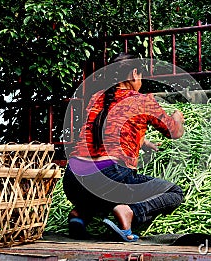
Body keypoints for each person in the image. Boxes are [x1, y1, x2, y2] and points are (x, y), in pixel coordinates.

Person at [63, 53, 185, 242]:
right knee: (174, 192)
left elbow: (106, 130)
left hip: (73, 178)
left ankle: (79, 215)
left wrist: (142, 141)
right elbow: (174, 132)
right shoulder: (141, 100)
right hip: (108, 176)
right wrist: (177, 116)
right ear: (134, 73)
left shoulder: (96, 98)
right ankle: (129, 211)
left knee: (99, 191)